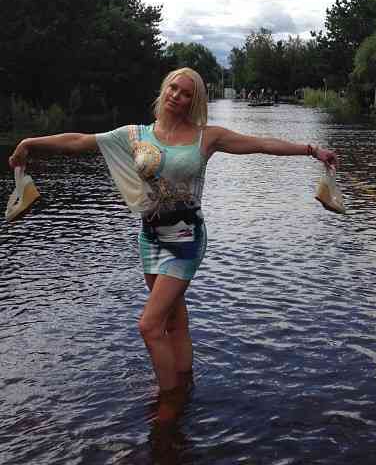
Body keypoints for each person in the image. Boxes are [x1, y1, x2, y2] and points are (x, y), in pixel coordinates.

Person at [8, 67, 339, 422]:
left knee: (149, 326)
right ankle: (184, 382)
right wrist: (31, 143)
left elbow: (260, 144)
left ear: (192, 102)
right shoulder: (134, 135)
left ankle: (168, 404)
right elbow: (80, 141)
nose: (176, 96)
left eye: (185, 93)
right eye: (173, 88)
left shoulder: (206, 138)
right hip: (150, 237)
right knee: (174, 321)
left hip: (186, 238)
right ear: (163, 90)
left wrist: (312, 149)